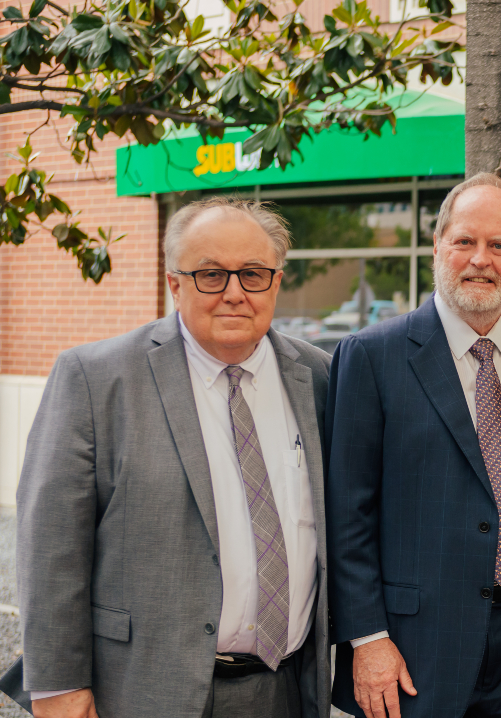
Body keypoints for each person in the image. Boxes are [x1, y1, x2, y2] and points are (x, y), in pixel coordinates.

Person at [0, 198, 333, 718]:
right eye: (210, 275)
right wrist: (58, 686)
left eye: (252, 274)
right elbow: (51, 547)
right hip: (144, 690)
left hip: (287, 690)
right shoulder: (96, 379)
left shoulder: (320, 377)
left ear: (276, 280)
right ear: (174, 283)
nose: (234, 293)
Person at [325, 173, 501, 718]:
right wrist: (367, 639)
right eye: (465, 241)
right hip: (415, 646)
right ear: (439, 245)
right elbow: (347, 511)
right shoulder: (372, 356)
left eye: (499, 245)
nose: (480, 259)